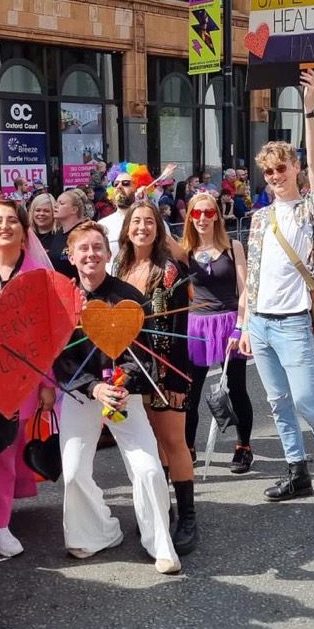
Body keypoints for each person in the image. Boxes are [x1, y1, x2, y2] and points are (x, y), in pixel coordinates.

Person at [237, 69, 314, 522]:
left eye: (280, 169)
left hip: (291, 323)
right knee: (278, 403)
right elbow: (253, 278)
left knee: (308, 402)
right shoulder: (260, 218)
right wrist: (245, 324)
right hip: (262, 323)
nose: (274, 177)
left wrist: (309, 108)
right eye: (267, 172)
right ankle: (297, 471)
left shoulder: (310, 208)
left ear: (294, 170)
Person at [53, 220, 181, 575]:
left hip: (124, 395)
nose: (91, 254)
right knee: (74, 470)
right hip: (82, 396)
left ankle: (159, 543)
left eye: (97, 248)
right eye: (83, 249)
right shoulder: (62, 297)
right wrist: (94, 386)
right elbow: (59, 357)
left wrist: (124, 384)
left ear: (108, 254)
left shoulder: (128, 296)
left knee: (149, 469)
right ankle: (97, 532)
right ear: (72, 256)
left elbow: (145, 351)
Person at [0, 200, 55, 557]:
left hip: (25, 378)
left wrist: (48, 383)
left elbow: (49, 332)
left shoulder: (38, 274)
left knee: (5, 449)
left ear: (24, 231)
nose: (4, 227)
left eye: (12, 222)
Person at [114, 200, 199, 555]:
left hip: (165, 372)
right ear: (127, 228)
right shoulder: (119, 266)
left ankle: (189, 516)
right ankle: (159, 508)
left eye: (149, 221)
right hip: (132, 372)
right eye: (137, 221)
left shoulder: (170, 271)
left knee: (173, 443)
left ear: (159, 228)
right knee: (150, 447)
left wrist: (180, 383)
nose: (142, 227)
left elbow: (182, 327)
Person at [180, 192, 255, 473]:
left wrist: (241, 326)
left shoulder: (233, 246)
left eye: (208, 213)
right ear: (189, 217)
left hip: (228, 324)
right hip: (196, 326)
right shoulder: (183, 249)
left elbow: (245, 289)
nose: (202, 219)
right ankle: (187, 447)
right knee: (190, 392)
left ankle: (243, 447)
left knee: (236, 388)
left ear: (217, 216)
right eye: (196, 214)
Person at [44, 188, 91, 278]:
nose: (55, 206)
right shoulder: (59, 232)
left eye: (61, 203)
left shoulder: (83, 233)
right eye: (56, 202)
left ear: (74, 209)